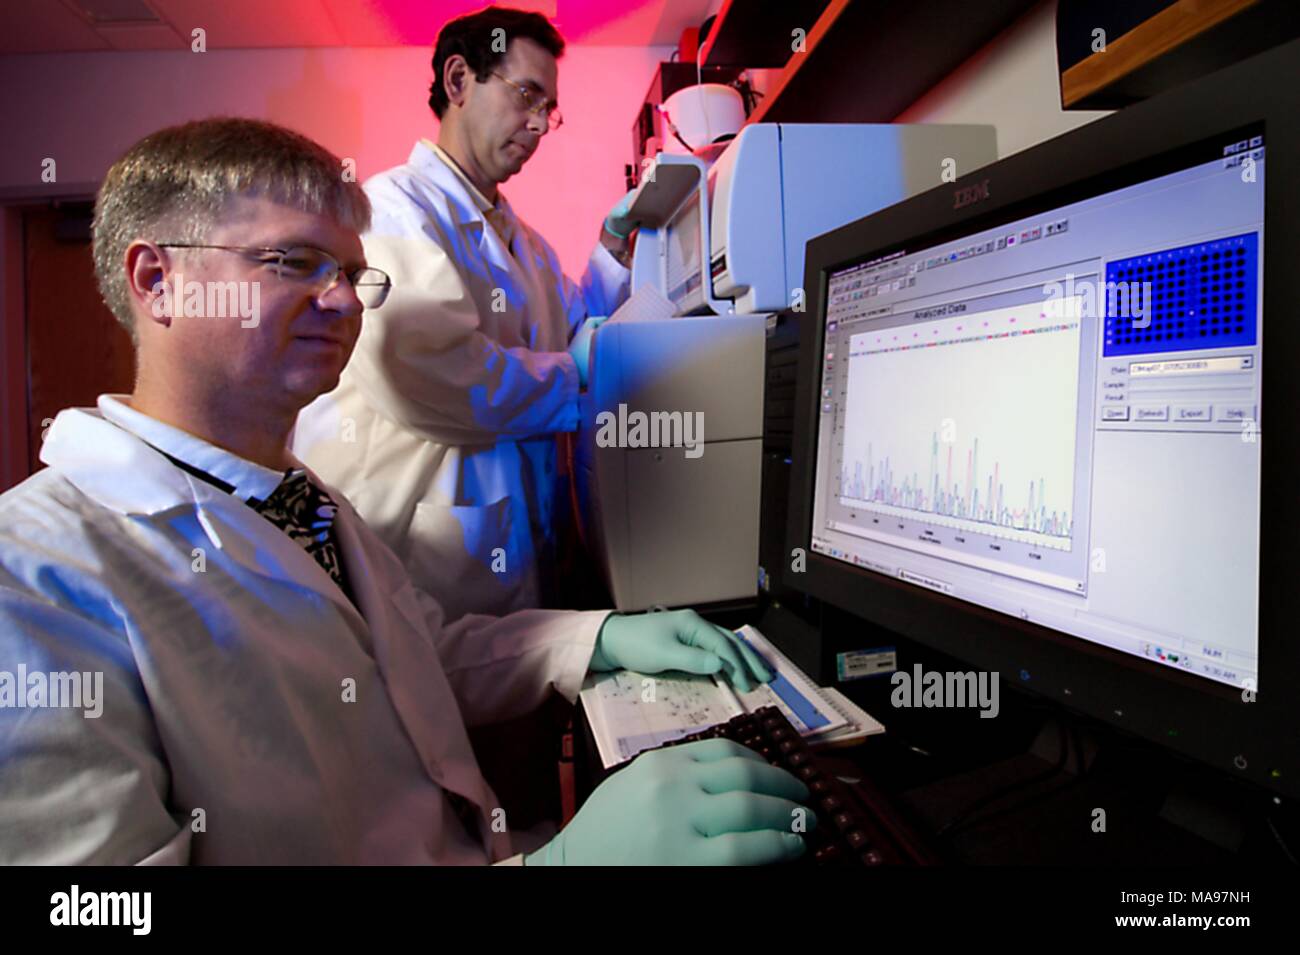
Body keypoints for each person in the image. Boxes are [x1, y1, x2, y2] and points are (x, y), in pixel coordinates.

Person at [0, 117, 813, 865]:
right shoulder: (36, 575)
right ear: (158, 280)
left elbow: (421, 657)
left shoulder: (300, 500)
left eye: (354, 273)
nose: (345, 301)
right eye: (293, 262)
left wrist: (594, 640)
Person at [292, 6, 635, 621]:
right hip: (424, 554)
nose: (536, 124)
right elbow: (434, 372)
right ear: (457, 81)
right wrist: (569, 373)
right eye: (527, 95)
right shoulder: (389, 212)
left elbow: (576, 324)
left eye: (548, 111)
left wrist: (615, 245)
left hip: (517, 556)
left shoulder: (521, 238)